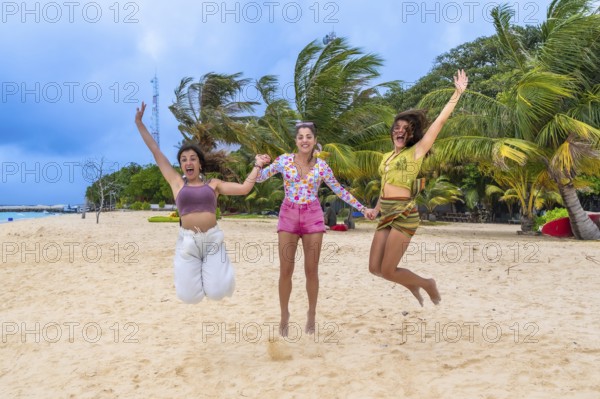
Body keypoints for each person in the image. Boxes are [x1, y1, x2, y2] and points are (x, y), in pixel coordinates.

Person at [134, 102, 270, 304]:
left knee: (218, 292)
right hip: (188, 241)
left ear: (199, 163)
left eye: (193, 159)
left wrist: (257, 166)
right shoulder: (177, 183)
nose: (188, 162)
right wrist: (139, 123)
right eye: (183, 159)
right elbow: (155, 151)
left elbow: (244, 189)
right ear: (180, 165)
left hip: (212, 240)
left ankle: (217, 274)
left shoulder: (214, 185)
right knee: (189, 297)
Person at [256, 121, 373, 336]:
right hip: (288, 215)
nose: (304, 140)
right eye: (300, 137)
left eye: (309, 136)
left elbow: (340, 191)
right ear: (296, 141)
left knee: (311, 271)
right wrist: (257, 164)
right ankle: (284, 315)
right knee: (286, 271)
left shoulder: (322, 167)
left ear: (315, 140)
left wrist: (362, 208)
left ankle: (311, 314)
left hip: (312, 216)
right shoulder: (283, 161)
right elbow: (260, 178)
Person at [365, 69, 469, 306]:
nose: (399, 131)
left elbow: (440, 122)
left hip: (404, 213)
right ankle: (412, 283)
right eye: (396, 127)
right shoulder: (385, 157)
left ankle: (426, 283)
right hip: (387, 212)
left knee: (389, 270)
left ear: (411, 134)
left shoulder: (417, 151)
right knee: (374, 268)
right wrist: (376, 208)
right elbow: (384, 186)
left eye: (405, 128)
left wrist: (457, 93)